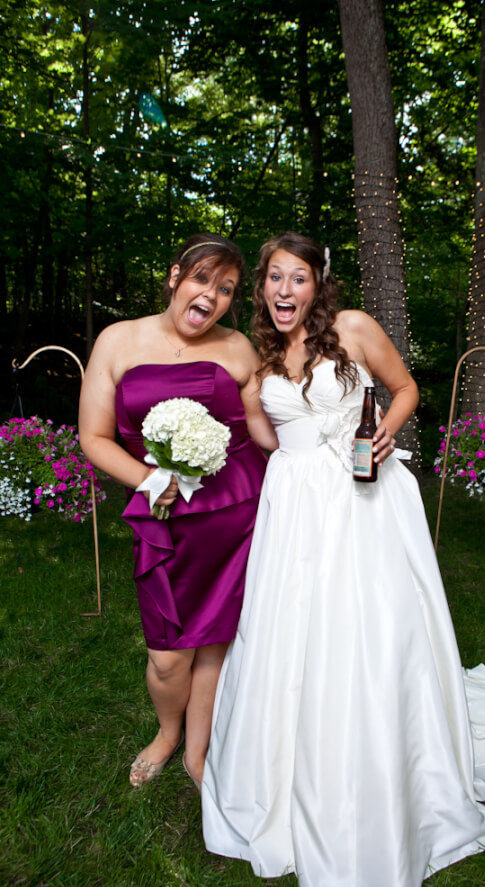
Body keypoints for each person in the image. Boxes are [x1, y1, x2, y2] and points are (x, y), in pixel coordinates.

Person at [201, 232, 485, 887]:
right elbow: (267, 436)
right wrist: (253, 426)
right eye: (274, 277)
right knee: (290, 627)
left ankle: (379, 741)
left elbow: (405, 387)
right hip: (293, 505)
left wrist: (386, 429)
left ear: (318, 284)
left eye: (298, 278)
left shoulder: (353, 327)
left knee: (364, 623)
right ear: (262, 284)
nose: (284, 290)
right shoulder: (260, 354)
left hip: (363, 499)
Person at [78, 234, 278, 790]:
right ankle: (167, 732)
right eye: (202, 279)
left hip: (235, 514)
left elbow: (267, 429)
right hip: (162, 518)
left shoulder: (239, 348)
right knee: (168, 656)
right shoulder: (118, 340)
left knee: (214, 642)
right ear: (175, 277)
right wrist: (149, 480)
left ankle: (196, 749)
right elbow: (93, 437)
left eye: (226, 289)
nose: (211, 296)